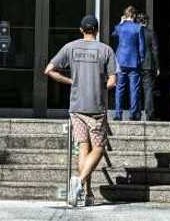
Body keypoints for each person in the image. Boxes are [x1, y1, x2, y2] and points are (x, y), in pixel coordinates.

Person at [44, 14, 117, 207]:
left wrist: (71, 81)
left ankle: (87, 194)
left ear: (81, 29)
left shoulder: (70, 47)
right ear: (97, 30)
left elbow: (49, 70)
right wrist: (102, 86)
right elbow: (112, 81)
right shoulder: (105, 50)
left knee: (83, 147)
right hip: (96, 107)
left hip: (76, 107)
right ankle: (80, 180)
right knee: (99, 148)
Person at [111, 5, 146, 121]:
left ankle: (118, 113)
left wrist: (121, 23)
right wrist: (141, 59)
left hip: (121, 60)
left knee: (119, 88)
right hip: (134, 61)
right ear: (134, 15)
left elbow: (114, 35)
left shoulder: (120, 27)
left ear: (125, 15)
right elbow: (141, 47)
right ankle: (132, 113)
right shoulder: (138, 28)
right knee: (134, 88)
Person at [136, 12, 159, 121]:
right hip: (148, 64)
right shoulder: (151, 33)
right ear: (146, 21)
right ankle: (149, 113)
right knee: (148, 89)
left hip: (135, 64)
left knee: (135, 88)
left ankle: (136, 112)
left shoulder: (134, 32)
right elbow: (155, 51)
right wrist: (157, 66)